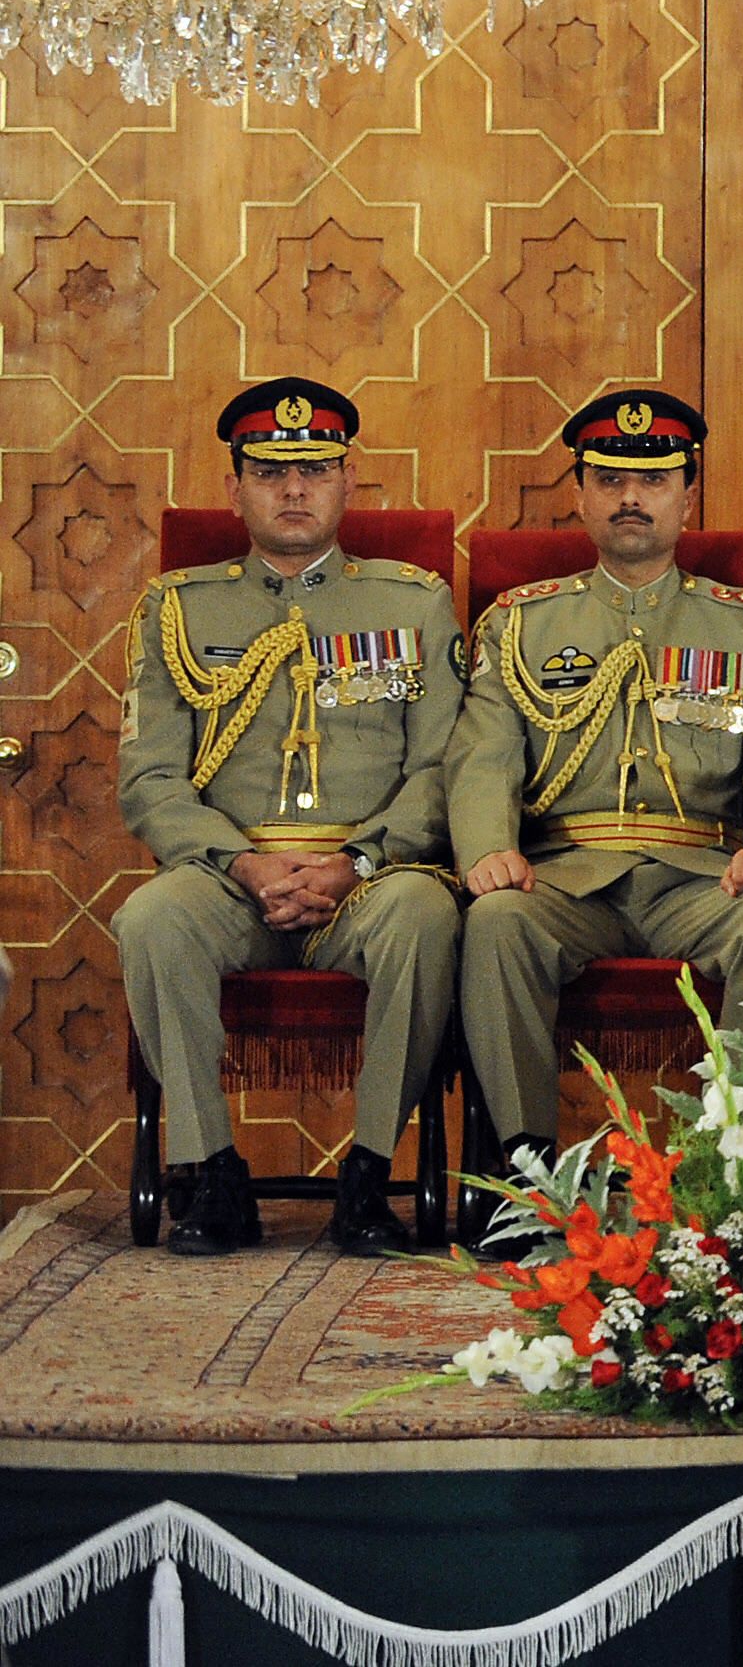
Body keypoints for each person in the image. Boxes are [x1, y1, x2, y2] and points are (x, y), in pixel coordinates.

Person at [112, 380, 465, 1257]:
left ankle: (368, 1175)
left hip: (367, 879)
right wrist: (241, 863)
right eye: (271, 471)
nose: (295, 489)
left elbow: (440, 771)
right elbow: (150, 777)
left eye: (314, 470)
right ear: (234, 488)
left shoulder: (412, 603)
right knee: (150, 918)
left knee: (428, 918)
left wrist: (357, 859)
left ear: (349, 481)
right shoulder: (179, 609)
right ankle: (211, 1173)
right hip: (228, 878)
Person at [450, 388, 743, 1166]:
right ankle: (522, 1172)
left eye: (652, 482)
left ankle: (738, 1168)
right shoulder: (520, 621)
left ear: (688, 495)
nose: (630, 498)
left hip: (701, 880)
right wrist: (487, 849)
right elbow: (484, 755)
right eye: (610, 480)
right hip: (564, 876)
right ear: (580, 495)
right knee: (494, 923)